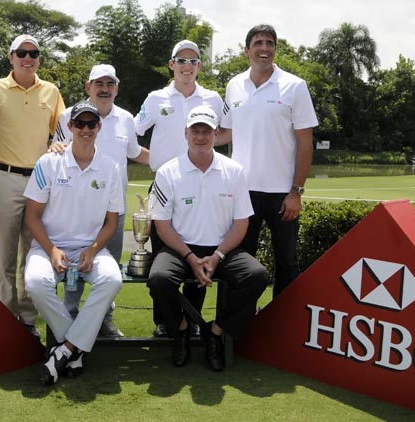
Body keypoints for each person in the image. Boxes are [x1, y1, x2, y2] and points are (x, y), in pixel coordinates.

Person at [148, 106, 268, 372]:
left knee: (257, 276)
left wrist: (217, 256)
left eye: (206, 131)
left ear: (216, 134)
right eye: (195, 131)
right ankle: (180, 329)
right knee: (158, 280)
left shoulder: (234, 170)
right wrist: (190, 258)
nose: (200, 136)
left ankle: (215, 332)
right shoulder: (167, 172)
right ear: (186, 133)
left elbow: (241, 223)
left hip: (223, 248)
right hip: (180, 248)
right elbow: (162, 225)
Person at [24, 101, 123, 386]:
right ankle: (75, 348)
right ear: (69, 127)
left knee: (112, 279)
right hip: (48, 246)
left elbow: (112, 223)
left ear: (99, 128)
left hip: (91, 248)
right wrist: (52, 249)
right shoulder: (49, 162)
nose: (86, 129)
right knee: (35, 283)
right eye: (80, 124)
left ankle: (64, 350)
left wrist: (92, 250)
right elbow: (31, 216)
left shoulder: (110, 167)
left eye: (91, 124)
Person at [217, 24, 318, 297]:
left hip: (282, 194)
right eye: (258, 43)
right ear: (246, 50)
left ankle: (279, 329)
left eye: (270, 43)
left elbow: (305, 143)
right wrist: (189, 139)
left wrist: (296, 191)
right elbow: (226, 132)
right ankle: (234, 332)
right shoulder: (234, 85)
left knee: (286, 263)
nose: (264, 48)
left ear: (275, 49)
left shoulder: (295, 86)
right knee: (238, 262)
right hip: (242, 192)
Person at [52, 64, 149, 337]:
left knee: (109, 270)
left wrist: (174, 159)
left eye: (110, 84)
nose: (104, 89)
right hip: (76, 209)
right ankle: (69, 315)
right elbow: (56, 149)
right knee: (75, 266)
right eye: (99, 84)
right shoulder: (68, 116)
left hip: (112, 212)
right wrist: (53, 146)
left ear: (116, 88)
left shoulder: (126, 119)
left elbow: (135, 152)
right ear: (88, 87)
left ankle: (104, 319)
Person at [135, 40, 224, 337]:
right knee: (162, 255)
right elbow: (132, 131)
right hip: (163, 183)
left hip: (200, 180)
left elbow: (227, 131)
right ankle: (166, 319)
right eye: (181, 60)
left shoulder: (211, 99)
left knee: (199, 247)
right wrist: (152, 159)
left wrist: (205, 153)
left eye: (193, 61)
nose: (187, 66)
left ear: (200, 66)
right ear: (171, 65)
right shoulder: (155, 98)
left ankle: (193, 318)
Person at [0, 34, 65, 337]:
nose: (28, 58)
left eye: (33, 53)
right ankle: (4, 317)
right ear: (10, 57)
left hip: (39, 179)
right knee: (5, 255)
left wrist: (56, 146)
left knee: (32, 253)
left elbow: (61, 132)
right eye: (21, 53)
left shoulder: (50, 90)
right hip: (5, 176)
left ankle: (27, 319)